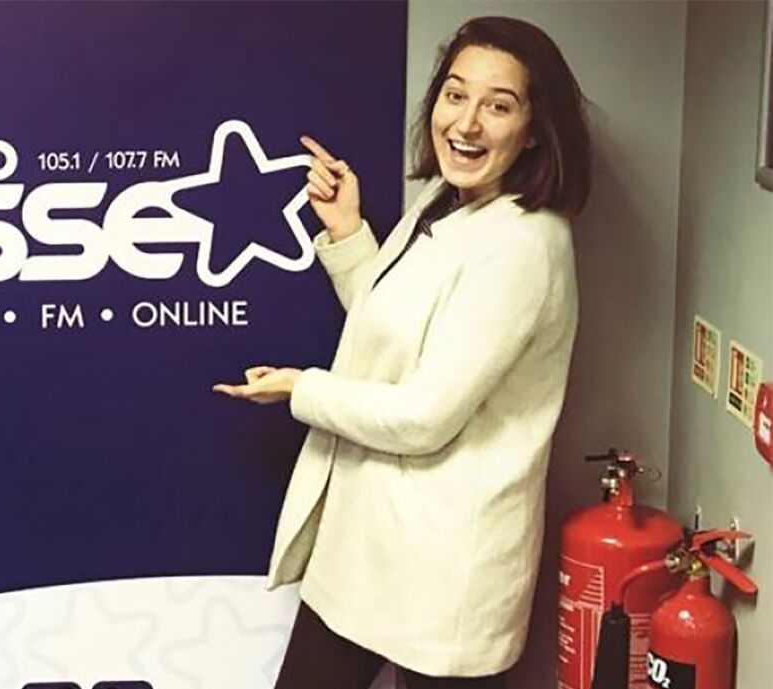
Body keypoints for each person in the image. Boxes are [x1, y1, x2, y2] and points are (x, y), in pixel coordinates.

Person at [214, 16, 590, 686]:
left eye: (498, 106)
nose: (466, 123)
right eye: (455, 95)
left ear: (534, 128)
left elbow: (424, 417)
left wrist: (301, 388)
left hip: (444, 573)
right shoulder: (444, 200)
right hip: (367, 551)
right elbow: (399, 332)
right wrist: (348, 233)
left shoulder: (523, 245)